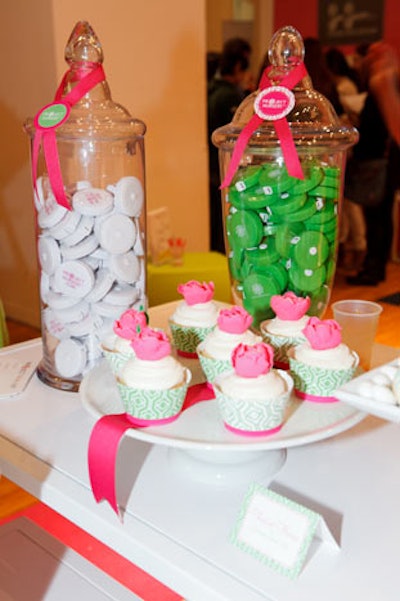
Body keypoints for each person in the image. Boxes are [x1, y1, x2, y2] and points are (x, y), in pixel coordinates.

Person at [346, 42, 399, 286]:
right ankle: (375, 267)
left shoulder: (382, 80)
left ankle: (373, 268)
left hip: (380, 160)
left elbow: (394, 124)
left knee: (377, 215)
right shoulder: (389, 78)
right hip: (385, 159)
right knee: (381, 214)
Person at [207, 45, 250, 253]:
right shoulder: (229, 96)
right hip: (229, 171)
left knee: (218, 225)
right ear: (237, 67)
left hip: (214, 169)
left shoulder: (210, 89)